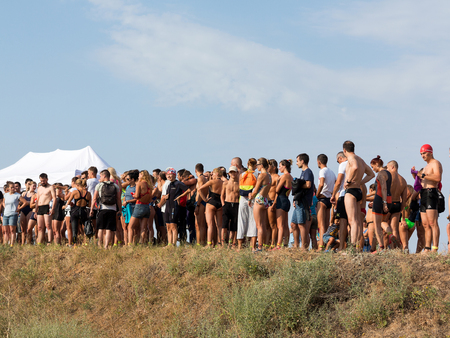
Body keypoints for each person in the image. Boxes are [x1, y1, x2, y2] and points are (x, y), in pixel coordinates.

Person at [342, 141, 374, 250]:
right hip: (358, 191)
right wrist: (360, 182)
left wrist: (348, 180)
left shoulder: (352, 159)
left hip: (351, 191)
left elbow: (354, 167)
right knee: (356, 221)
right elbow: (371, 174)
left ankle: (352, 247)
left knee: (352, 221)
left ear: (344, 150)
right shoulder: (361, 160)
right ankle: (355, 247)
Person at [419, 144, 443, 253]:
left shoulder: (435, 163)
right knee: (425, 224)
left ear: (430, 152)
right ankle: (427, 248)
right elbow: (424, 179)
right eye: (421, 154)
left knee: (433, 222)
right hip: (423, 193)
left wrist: (423, 176)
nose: (422, 156)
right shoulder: (426, 166)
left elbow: (437, 178)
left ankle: (435, 248)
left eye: (424, 153)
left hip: (431, 192)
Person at [90, 170, 121, 249]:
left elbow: (94, 198)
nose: (100, 178)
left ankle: (100, 246)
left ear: (104, 176)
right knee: (109, 229)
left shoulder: (99, 185)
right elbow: (118, 199)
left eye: (100, 176)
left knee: (100, 228)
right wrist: (119, 209)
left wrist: (91, 209)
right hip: (112, 209)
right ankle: (106, 246)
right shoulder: (115, 186)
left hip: (102, 209)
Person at [158, 168, 188, 246]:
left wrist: (179, 197)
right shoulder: (169, 184)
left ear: (174, 175)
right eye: (168, 174)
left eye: (170, 174)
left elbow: (188, 190)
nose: (169, 176)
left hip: (174, 207)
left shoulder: (178, 183)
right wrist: (165, 198)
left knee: (173, 226)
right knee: (168, 226)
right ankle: (169, 244)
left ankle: (174, 244)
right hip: (167, 207)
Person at [291, 153, 314, 250]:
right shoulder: (303, 172)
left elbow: (308, 185)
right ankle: (296, 245)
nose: (296, 163)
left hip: (303, 202)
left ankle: (304, 247)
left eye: (297, 161)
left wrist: (298, 185)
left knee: (301, 224)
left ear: (302, 161)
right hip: (299, 201)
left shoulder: (308, 172)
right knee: (293, 224)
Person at [248, 158, 272, 252]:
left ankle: (259, 247)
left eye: (257, 165)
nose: (256, 166)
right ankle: (263, 245)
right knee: (263, 225)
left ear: (261, 165)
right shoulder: (269, 176)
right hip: (265, 200)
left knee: (259, 226)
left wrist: (250, 198)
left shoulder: (262, 175)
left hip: (258, 199)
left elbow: (255, 190)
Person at [197, 168, 224, 247]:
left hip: (211, 202)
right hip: (220, 203)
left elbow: (199, 189)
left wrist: (204, 199)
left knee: (210, 225)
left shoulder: (212, 182)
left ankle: (209, 244)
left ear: (217, 174)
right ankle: (220, 243)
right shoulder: (224, 183)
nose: (212, 174)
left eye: (213, 173)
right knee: (219, 225)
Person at [316, 154, 336, 250]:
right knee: (327, 224)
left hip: (322, 199)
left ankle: (321, 246)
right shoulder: (332, 172)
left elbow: (321, 184)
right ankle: (326, 244)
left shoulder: (322, 171)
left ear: (319, 162)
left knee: (321, 224)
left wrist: (316, 195)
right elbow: (336, 184)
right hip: (329, 199)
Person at [386, 160, 408, 248]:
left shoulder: (388, 177)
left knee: (383, 224)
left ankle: (386, 244)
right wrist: (403, 217)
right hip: (397, 204)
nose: (387, 170)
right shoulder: (403, 180)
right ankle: (394, 249)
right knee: (394, 228)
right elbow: (404, 200)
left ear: (392, 167)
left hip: (388, 203)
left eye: (387, 168)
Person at [236, 158, 257, 251]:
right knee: (253, 221)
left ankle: (240, 247)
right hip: (252, 198)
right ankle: (253, 247)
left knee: (241, 221)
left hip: (242, 198)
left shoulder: (242, 175)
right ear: (255, 165)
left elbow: (239, 188)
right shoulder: (257, 174)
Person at [272, 159, 293, 250]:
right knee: (285, 224)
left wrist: (277, 181)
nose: (279, 168)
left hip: (281, 199)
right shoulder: (291, 177)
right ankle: (285, 244)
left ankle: (278, 245)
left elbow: (277, 190)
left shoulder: (284, 177)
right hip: (287, 200)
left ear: (284, 166)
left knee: (279, 225)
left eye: (280, 166)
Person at [330, 152, 348, 251]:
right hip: (354, 193)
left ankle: (342, 247)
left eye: (338, 161)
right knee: (354, 222)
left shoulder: (343, 164)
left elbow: (339, 181)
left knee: (342, 221)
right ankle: (355, 246)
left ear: (340, 158)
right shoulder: (354, 163)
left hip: (343, 194)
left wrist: (333, 195)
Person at [129, 170, 153, 245]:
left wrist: (133, 195)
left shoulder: (140, 183)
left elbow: (136, 196)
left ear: (142, 175)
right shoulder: (149, 185)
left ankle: (130, 244)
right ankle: (142, 243)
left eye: (139, 175)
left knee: (130, 226)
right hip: (147, 206)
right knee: (143, 228)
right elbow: (150, 198)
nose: (138, 176)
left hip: (139, 205)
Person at [65, 179, 91, 245]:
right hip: (84, 211)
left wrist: (68, 204)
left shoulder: (75, 192)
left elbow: (68, 202)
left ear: (77, 184)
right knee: (85, 229)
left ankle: (75, 244)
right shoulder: (88, 193)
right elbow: (89, 205)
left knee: (74, 230)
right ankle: (85, 243)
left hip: (75, 211)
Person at [221, 166, 240, 248]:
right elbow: (222, 195)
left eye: (234, 172)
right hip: (227, 203)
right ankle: (222, 243)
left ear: (237, 173)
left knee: (234, 226)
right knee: (224, 225)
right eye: (231, 172)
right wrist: (223, 205)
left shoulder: (239, 183)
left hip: (236, 204)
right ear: (229, 173)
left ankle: (232, 243)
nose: (233, 173)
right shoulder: (225, 183)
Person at [2, 182, 26, 246]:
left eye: (14, 187)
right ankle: (5, 244)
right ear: (9, 188)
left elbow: (25, 202)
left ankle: (12, 244)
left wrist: (19, 208)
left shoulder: (17, 195)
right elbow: (3, 202)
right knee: (6, 231)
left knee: (12, 230)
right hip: (5, 214)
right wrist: (5, 207)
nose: (13, 188)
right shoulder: (5, 195)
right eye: (12, 187)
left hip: (13, 214)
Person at [35, 173, 57, 245]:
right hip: (40, 207)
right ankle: (39, 242)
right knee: (40, 227)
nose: (42, 182)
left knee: (48, 225)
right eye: (41, 181)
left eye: (44, 180)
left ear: (47, 179)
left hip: (47, 207)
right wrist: (35, 211)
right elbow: (37, 200)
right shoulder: (39, 188)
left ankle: (49, 241)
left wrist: (53, 208)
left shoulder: (50, 187)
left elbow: (54, 198)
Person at [267, 159, 279, 248]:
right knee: (266, 224)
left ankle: (273, 244)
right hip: (266, 202)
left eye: (269, 165)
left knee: (273, 224)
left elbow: (277, 192)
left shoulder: (276, 177)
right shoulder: (266, 176)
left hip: (272, 201)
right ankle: (267, 243)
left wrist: (274, 202)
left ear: (274, 167)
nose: (267, 167)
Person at [194, 163, 207, 246]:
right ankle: (199, 242)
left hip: (200, 202)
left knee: (200, 224)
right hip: (201, 202)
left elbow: (200, 191)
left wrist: (197, 205)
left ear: (195, 170)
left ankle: (201, 243)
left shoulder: (200, 178)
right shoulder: (204, 178)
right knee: (198, 224)